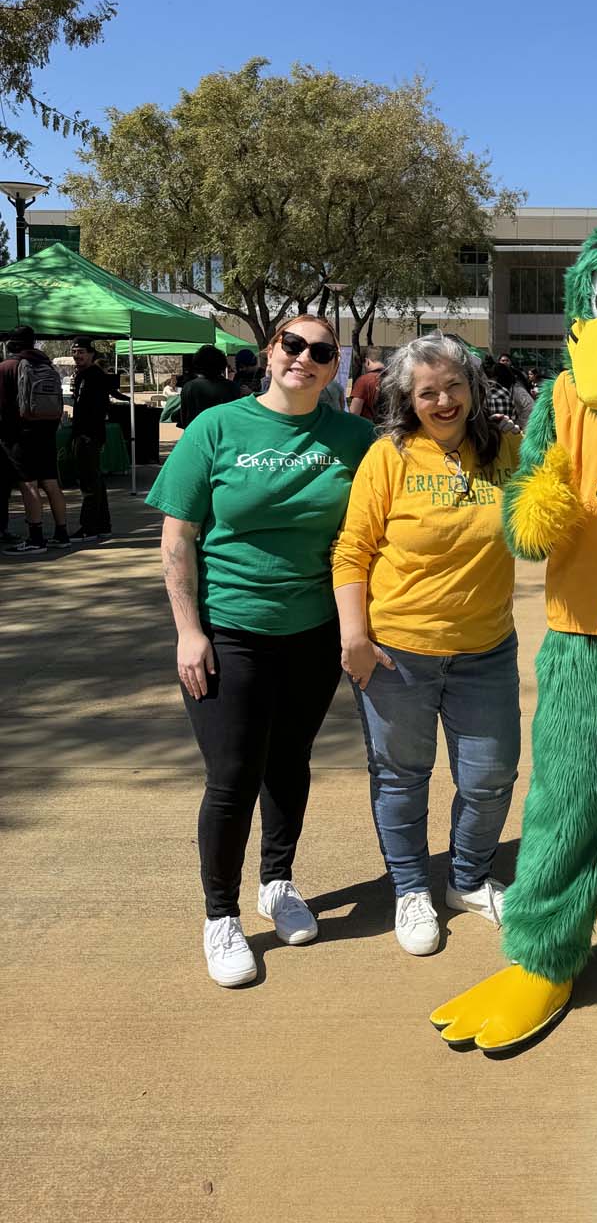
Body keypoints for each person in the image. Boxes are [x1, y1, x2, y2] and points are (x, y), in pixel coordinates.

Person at [146, 314, 376, 987]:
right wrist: (189, 630)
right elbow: (177, 538)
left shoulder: (354, 438)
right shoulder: (218, 428)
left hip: (311, 632)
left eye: (320, 351)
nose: (304, 357)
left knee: (289, 762)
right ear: (270, 353)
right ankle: (220, 917)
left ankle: (278, 883)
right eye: (292, 344)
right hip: (229, 630)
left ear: (335, 367)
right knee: (234, 773)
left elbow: (381, 522)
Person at [332, 334, 523, 956]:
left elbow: (555, 501)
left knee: (491, 776)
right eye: (428, 392)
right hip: (398, 653)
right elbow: (352, 549)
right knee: (401, 778)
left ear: (472, 385)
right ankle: (412, 889)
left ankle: (466, 881)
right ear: (407, 400)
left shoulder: (503, 450)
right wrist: (354, 636)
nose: (444, 401)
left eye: (454, 387)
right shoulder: (388, 456)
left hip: (485, 650)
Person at [0, 327, 70, 555]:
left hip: (19, 434)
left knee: (28, 484)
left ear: (12, 343)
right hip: (47, 431)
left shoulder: (7, 367)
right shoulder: (46, 364)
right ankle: (62, 534)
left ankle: (36, 538)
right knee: (50, 482)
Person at [69, 338, 113, 541]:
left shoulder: (94, 375)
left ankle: (89, 527)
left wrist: (87, 434)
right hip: (85, 434)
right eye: (74, 352)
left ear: (91, 353)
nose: (77, 355)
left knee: (89, 482)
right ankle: (102, 525)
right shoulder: (82, 375)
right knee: (95, 481)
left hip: (89, 435)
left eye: (81, 351)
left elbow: (98, 408)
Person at [179, 345, 238, 428]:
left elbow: (184, 418)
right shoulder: (232, 387)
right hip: (224, 436)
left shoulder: (189, 387)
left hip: (196, 435)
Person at [348, 348, 385, 421]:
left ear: (367, 361)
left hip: (371, 429)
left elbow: (354, 413)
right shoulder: (394, 379)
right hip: (393, 429)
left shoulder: (364, 381)